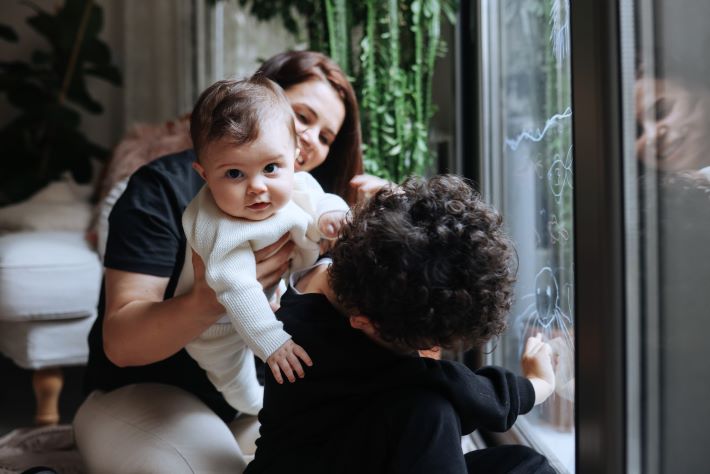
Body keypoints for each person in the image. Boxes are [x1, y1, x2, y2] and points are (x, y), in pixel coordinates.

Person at [74, 50, 385, 473]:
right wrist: (209, 299)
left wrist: (380, 225)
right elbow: (122, 345)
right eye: (303, 116)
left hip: (257, 398)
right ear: (259, 101)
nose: (311, 138)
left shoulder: (306, 200)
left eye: (326, 136)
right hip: (146, 389)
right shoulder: (163, 190)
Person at [245, 175, 556, 474]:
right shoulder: (314, 344)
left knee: (527, 465)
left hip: (358, 450)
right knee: (431, 411)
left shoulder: (345, 274)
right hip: (309, 464)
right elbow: (458, 387)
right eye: (420, 345)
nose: (429, 352)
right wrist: (538, 385)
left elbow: (409, 247)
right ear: (363, 323)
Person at [182, 75, 349, 415]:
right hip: (217, 328)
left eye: (271, 167)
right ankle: (253, 408)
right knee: (236, 382)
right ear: (204, 175)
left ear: (293, 156)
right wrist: (271, 341)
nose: (257, 187)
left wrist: (331, 214)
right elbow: (238, 288)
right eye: (234, 174)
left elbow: (316, 197)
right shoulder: (221, 226)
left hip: (274, 294)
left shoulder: (293, 181)